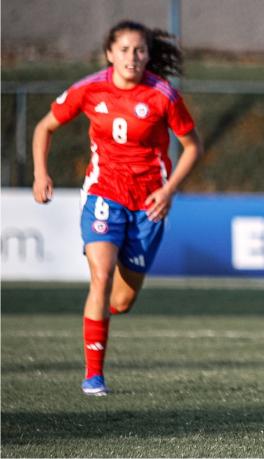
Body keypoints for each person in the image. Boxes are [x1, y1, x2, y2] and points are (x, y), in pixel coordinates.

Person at [31, 20, 204, 396]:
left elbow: (193, 147)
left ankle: (100, 317)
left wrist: (168, 191)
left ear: (148, 55)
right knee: (101, 276)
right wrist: (40, 174)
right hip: (103, 194)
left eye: (139, 50)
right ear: (110, 53)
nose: (132, 57)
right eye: (124, 50)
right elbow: (44, 127)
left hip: (148, 203)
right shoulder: (89, 89)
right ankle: (94, 376)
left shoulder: (163, 95)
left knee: (121, 301)